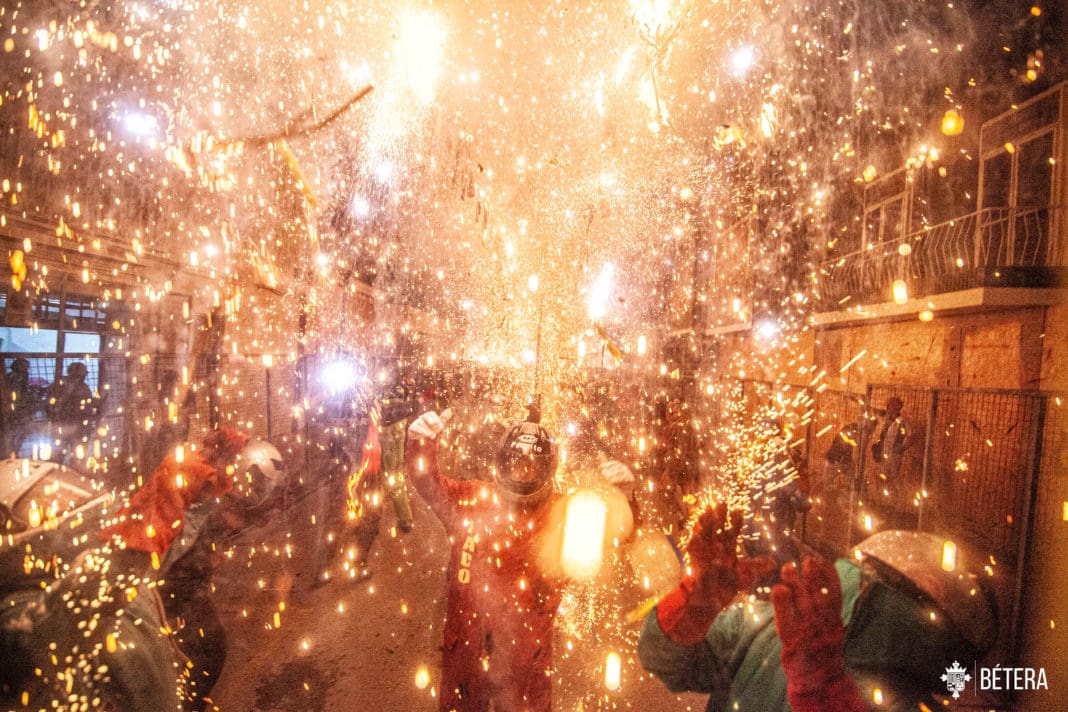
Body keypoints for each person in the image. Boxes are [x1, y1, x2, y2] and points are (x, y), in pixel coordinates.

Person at [638, 505, 998, 712]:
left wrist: (825, 692)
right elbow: (667, 660)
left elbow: (664, 661)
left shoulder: (772, 622)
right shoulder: (770, 620)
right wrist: (695, 605)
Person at [406, 405, 564, 712]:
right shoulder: (473, 498)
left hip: (525, 669)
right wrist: (421, 445)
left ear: (547, 470)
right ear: (501, 462)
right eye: (515, 462)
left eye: (531, 466)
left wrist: (624, 500)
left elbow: (609, 535)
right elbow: (430, 484)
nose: (522, 472)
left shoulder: (559, 515)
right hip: (466, 653)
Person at [47, 361, 96, 462]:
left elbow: (88, 406)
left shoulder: (84, 387)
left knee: (78, 454)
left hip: (78, 426)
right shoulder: (59, 385)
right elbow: (51, 405)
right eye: (81, 375)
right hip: (63, 424)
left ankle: (76, 468)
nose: (84, 377)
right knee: (57, 454)